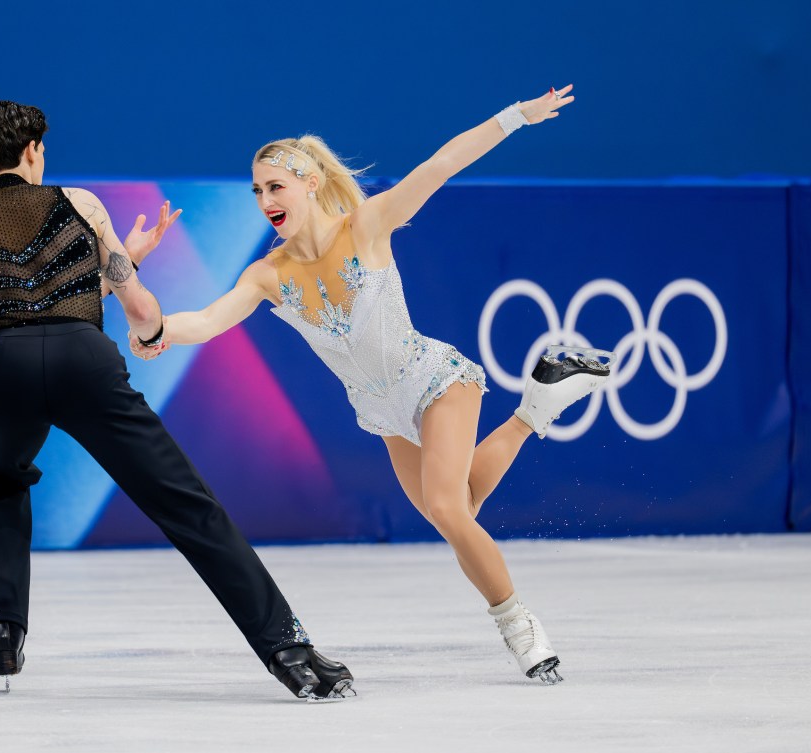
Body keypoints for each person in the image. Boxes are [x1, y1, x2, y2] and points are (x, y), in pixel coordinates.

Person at [132, 85, 615, 685]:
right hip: (383, 414)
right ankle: (536, 407)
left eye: (275, 186)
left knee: (448, 510)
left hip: (435, 382)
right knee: (460, 507)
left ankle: (521, 630)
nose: (264, 200)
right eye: (256, 190)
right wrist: (156, 327)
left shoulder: (365, 225)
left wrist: (516, 116)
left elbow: (441, 164)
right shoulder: (267, 275)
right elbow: (207, 320)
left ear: (310, 182)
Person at [0, 100, 354, 700]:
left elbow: (28, 303)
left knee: (0, 483)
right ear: (31, 152)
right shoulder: (79, 204)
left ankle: (2, 631)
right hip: (85, 363)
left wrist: (122, 260)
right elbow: (130, 308)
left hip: (4, 371)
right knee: (187, 504)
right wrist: (152, 326)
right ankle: (287, 649)